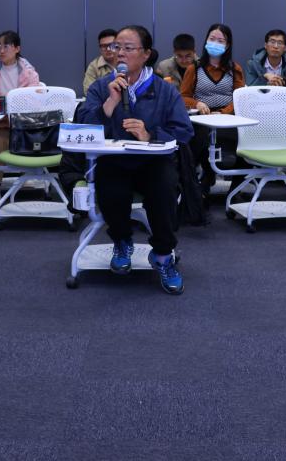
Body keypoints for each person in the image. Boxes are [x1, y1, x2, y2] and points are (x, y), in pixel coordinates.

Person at [78, 25, 193, 295]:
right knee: (110, 187)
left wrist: (150, 134)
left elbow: (184, 131)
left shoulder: (164, 90)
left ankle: (163, 255)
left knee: (164, 188)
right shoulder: (101, 87)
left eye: (128, 48)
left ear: (146, 54)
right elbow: (82, 127)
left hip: (153, 164)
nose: (119, 53)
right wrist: (109, 104)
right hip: (114, 162)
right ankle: (122, 241)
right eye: (116, 47)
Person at [0, 30, 41, 205]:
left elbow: (32, 97)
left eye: (6, 46)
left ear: (17, 48)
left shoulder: (29, 72)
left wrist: (10, 108)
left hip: (23, 124)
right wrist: (6, 110)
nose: (1, 50)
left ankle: (29, 174)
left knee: (33, 135)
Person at [180, 24, 245, 193]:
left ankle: (236, 189)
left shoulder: (235, 69)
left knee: (246, 141)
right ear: (206, 41)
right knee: (197, 140)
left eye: (220, 41)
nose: (215, 43)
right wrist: (197, 104)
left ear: (227, 45)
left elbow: (241, 97)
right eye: (212, 39)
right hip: (202, 116)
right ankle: (203, 182)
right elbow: (183, 96)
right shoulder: (194, 68)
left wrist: (223, 113)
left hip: (228, 116)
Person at [82, 28, 118, 93]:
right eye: (104, 46)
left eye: (111, 45)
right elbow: (89, 92)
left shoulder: (127, 62)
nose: (108, 49)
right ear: (100, 48)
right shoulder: (94, 67)